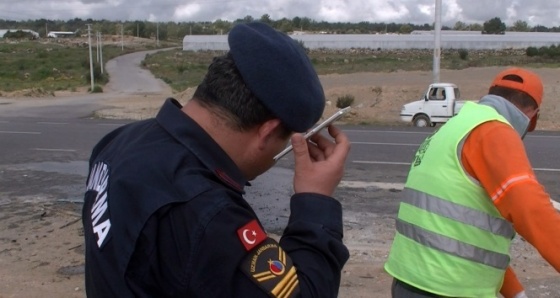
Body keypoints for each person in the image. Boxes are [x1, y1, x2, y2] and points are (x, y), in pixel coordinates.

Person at [82, 22, 351, 297]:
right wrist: (315, 201)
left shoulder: (119, 141)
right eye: (285, 142)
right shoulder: (207, 214)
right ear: (267, 132)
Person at [384, 67, 560, 297]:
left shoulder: (453, 129)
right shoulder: (494, 131)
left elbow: (465, 237)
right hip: (448, 289)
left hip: (410, 282)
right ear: (531, 113)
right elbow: (532, 210)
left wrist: (515, 292)